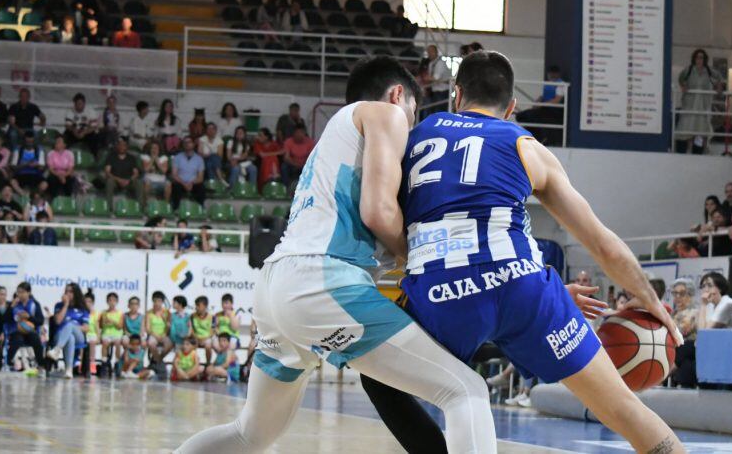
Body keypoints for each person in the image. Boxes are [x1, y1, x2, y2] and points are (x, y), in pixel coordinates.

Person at [177, 56, 501, 454]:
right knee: (464, 390)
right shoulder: (384, 113)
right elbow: (378, 212)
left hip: (276, 286)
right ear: (398, 94)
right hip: (321, 282)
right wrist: (421, 258)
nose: (411, 127)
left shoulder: (335, 141)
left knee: (250, 434)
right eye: (413, 115)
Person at [394, 51, 685, 453]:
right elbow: (601, 243)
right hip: (523, 287)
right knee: (621, 407)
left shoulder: (417, 134)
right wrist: (654, 302)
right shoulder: (526, 146)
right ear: (512, 107)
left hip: (441, 290)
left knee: (388, 382)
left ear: (456, 96)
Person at [677, 48, 723, 154]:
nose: (699, 59)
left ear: (705, 59)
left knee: (701, 130)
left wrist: (719, 86)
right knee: (686, 127)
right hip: (689, 104)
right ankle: (684, 151)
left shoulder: (709, 71)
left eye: (701, 57)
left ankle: (697, 151)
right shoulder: (688, 70)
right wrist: (683, 86)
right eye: (697, 57)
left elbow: (719, 78)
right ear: (694, 58)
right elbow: (681, 78)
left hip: (703, 105)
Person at [5, 282, 45, 370]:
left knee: (35, 338)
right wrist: (11, 307)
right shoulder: (13, 304)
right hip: (16, 330)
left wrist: (29, 317)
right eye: (18, 292)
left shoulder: (35, 304)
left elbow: (40, 321)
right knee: (18, 339)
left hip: (29, 331)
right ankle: (9, 362)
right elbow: (6, 319)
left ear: (28, 293)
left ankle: (41, 363)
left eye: (23, 292)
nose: (20, 294)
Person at [667, 279, 698, 388]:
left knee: (685, 348)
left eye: (682, 293)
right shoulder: (672, 313)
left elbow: (682, 331)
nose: (677, 297)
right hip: (677, 351)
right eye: (675, 293)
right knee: (686, 364)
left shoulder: (694, 312)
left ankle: (662, 376)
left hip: (689, 347)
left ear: (690, 295)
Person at [170, 137, 205, 209]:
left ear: (193, 144)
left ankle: (200, 209)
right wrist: (184, 184)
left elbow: (200, 178)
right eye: (185, 142)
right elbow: (174, 175)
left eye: (189, 142)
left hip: (193, 183)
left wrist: (191, 183)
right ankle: (175, 209)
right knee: (175, 187)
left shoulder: (199, 159)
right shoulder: (177, 157)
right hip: (181, 182)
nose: (187, 144)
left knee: (201, 188)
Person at [104, 137, 142, 203]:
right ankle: (108, 206)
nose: (122, 147)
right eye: (120, 145)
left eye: (124, 145)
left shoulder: (131, 158)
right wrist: (118, 180)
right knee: (109, 181)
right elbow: (107, 172)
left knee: (138, 182)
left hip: (128, 181)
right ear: (117, 146)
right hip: (115, 181)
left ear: (127, 147)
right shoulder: (111, 157)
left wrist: (129, 180)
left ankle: (141, 207)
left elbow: (136, 173)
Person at [420, 44, 451, 115]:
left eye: (431, 52)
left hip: (442, 91)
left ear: (436, 52)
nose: (429, 54)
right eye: (428, 52)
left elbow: (436, 77)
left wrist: (425, 78)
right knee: (434, 110)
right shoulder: (431, 63)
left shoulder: (441, 63)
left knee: (439, 111)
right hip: (435, 90)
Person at [99, 292, 125, 372]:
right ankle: (104, 361)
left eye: (114, 300)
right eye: (110, 300)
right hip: (106, 333)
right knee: (105, 343)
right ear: (107, 302)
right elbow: (101, 325)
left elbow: (120, 326)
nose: (112, 302)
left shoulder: (120, 313)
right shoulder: (103, 313)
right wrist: (105, 322)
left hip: (116, 334)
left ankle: (117, 362)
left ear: (117, 302)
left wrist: (113, 321)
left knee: (117, 343)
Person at [140, 139, 171, 204]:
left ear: (159, 149)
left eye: (156, 148)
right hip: (148, 181)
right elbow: (146, 169)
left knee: (168, 184)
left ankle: (166, 205)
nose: (154, 150)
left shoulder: (164, 158)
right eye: (152, 148)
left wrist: (157, 160)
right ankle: (146, 205)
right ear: (149, 149)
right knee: (147, 183)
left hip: (161, 181)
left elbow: (164, 171)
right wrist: (152, 159)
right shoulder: (145, 157)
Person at [190, 296, 216, 364]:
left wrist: (204, 339)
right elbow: (191, 329)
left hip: (207, 337)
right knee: (190, 345)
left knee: (208, 345)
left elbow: (212, 331)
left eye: (198, 306)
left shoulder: (212, 317)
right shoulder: (192, 316)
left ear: (205, 306)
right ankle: (193, 363)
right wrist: (196, 338)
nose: (196, 308)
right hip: (196, 337)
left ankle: (208, 363)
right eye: (196, 305)